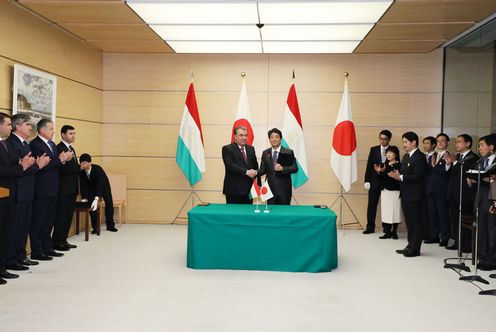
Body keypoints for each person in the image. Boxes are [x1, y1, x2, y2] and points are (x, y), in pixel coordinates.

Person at [6, 114, 49, 270]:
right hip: (18, 192)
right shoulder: (12, 143)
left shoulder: (25, 144)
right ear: (19, 127)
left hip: (27, 192)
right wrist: (38, 165)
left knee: (24, 227)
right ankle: (12, 260)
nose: (31, 128)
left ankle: (21, 256)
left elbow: (27, 166)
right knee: (16, 228)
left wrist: (34, 164)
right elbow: (20, 170)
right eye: (28, 125)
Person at [30, 119, 73, 261]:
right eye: (51, 129)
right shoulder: (35, 144)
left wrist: (63, 160)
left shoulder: (52, 144)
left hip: (54, 188)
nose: (53, 131)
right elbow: (42, 166)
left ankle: (47, 248)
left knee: (49, 220)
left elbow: (54, 165)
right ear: (42, 130)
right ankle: (37, 251)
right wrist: (60, 159)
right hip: (42, 188)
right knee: (39, 220)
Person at [0, 113, 33, 284]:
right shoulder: (7, 143)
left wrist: (23, 164)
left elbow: (13, 164)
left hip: (9, 195)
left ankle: (2, 267)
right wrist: (23, 166)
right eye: (7, 124)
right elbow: (5, 170)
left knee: (6, 232)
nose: (10, 127)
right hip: (3, 194)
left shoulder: (6, 143)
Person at [389, 131, 427, 257]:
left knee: (416, 222)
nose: (404, 144)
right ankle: (410, 245)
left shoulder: (420, 157)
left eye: (406, 142)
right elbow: (404, 174)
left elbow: (418, 176)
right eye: (403, 142)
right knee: (409, 222)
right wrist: (397, 175)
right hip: (405, 194)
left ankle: (415, 249)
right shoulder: (406, 157)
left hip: (415, 195)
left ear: (414, 142)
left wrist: (401, 177)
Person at [444, 134, 477, 251]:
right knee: (454, 219)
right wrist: (448, 164)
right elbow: (451, 174)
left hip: (465, 195)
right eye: (456, 141)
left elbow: (465, 172)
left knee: (464, 220)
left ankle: (467, 245)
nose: (456, 144)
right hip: (453, 193)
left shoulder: (473, 157)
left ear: (468, 143)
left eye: (459, 141)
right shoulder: (457, 157)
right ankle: (458, 242)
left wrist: (453, 163)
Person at [468, 134, 496, 260]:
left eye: (482, 145)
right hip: (480, 199)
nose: (479, 148)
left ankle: (491, 259)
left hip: (492, 200)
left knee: (492, 230)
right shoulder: (480, 161)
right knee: (481, 229)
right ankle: (482, 256)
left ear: (491, 147)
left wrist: (489, 180)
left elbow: (494, 182)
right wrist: (472, 179)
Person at [53, 125, 79, 251]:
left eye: (74, 133)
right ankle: (57, 241)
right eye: (70, 133)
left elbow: (74, 167)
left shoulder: (71, 148)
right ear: (63, 135)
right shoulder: (59, 148)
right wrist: (79, 168)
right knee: (61, 215)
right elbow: (63, 168)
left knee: (68, 215)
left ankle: (64, 239)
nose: (73, 136)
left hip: (72, 188)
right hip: (63, 188)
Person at [79, 153, 118, 233]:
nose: (83, 165)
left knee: (109, 204)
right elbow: (83, 186)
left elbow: (99, 185)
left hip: (104, 187)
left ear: (90, 162)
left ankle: (110, 226)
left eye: (85, 163)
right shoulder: (81, 172)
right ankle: (95, 228)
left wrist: (96, 198)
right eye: (82, 163)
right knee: (92, 206)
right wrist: (85, 197)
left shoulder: (98, 169)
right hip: (92, 189)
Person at [257, 128, 298, 205]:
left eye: (276, 137)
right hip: (269, 191)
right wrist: (255, 172)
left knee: (284, 214)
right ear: (269, 139)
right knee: (270, 214)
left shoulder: (288, 152)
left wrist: (282, 168)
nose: (274, 139)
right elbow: (263, 170)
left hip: (284, 191)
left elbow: (295, 168)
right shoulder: (265, 153)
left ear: (280, 139)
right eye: (272, 137)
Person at [425, 133, 451, 246]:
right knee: (432, 213)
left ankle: (444, 237)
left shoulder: (450, 156)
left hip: (442, 190)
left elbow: (448, 173)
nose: (440, 143)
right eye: (438, 140)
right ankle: (434, 236)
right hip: (431, 189)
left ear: (447, 143)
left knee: (442, 214)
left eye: (443, 141)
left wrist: (448, 164)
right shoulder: (433, 155)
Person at [363, 130, 391, 234]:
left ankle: (387, 229)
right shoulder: (373, 149)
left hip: (387, 182)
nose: (382, 141)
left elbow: (395, 165)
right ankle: (370, 227)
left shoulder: (393, 150)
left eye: (385, 139)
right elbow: (369, 165)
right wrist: (367, 180)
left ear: (389, 139)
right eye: (381, 138)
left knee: (387, 205)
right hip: (374, 181)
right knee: (371, 205)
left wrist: (384, 170)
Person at [222, 126, 258, 204]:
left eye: (246, 135)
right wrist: (247, 172)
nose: (244, 137)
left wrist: (255, 172)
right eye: (241, 135)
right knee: (233, 215)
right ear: (235, 136)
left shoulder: (251, 149)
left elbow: (255, 166)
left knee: (248, 214)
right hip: (234, 190)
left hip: (249, 190)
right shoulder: (227, 149)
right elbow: (230, 165)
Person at [375, 146, 401, 239]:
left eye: (391, 153)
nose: (388, 154)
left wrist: (396, 176)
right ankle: (387, 232)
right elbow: (380, 179)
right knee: (386, 212)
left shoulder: (399, 165)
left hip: (395, 191)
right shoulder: (384, 165)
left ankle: (394, 232)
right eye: (387, 153)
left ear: (396, 155)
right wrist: (379, 172)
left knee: (395, 212)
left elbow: (400, 178)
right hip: (385, 191)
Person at [422, 136, 436, 242]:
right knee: (424, 214)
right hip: (422, 189)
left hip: (432, 189)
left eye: (427, 143)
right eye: (424, 143)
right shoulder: (421, 156)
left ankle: (434, 235)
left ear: (433, 145)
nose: (425, 145)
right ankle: (425, 234)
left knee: (432, 213)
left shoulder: (437, 156)